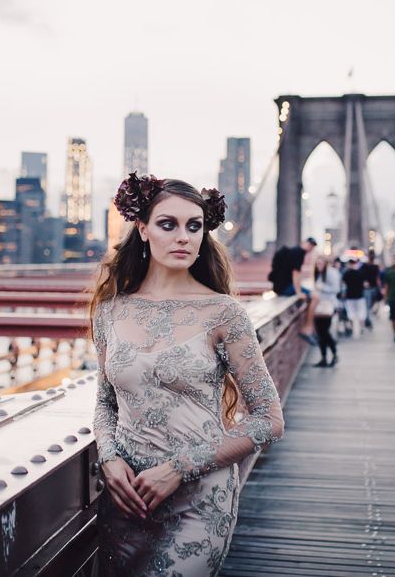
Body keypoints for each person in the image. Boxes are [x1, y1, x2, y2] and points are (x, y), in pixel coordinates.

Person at [91, 172, 284, 576]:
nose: (184, 236)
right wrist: (108, 459)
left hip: (199, 501)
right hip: (127, 498)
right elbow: (105, 402)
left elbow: (269, 420)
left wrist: (178, 468)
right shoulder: (111, 310)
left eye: (194, 226)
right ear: (142, 229)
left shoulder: (224, 313)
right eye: (168, 224)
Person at [269, 237, 319, 345]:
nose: (310, 247)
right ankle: (307, 328)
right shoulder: (299, 253)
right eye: (309, 244)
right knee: (315, 297)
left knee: (313, 296)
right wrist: (299, 292)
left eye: (312, 246)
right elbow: (296, 274)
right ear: (304, 243)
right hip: (285, 288)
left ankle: (309, 328)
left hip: (280, 287)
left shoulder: (294, 251)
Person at [312, 256, 340, 367]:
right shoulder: (319, 274)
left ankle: (334, 354)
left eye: (321, 263)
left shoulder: (331, 273)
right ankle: (324, 358)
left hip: (328, 306)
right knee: (320, 333)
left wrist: (322, 287)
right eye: (317, 264)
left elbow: (336, 289)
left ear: (326, 263)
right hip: (319, 306)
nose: (319, 266)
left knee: (324, 332)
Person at [341, 257, 367, 339]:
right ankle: (362, 327)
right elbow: (365, 284)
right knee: (361, 312)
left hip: (350, 296)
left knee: (351, 313)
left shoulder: (346, 273)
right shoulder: (360, 273)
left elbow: (343, 284)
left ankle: (353, 328)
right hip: (359, 295)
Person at [360, 249, 382, 328]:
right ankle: (367, 319)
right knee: (368, 305)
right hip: (367, 289)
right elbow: (361, 276)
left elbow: (377, 277)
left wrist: (379, 288)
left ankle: (368, 318)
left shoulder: (376, 266)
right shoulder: (364, 266)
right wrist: (364, 282)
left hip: (374, 287)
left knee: (372, 304)